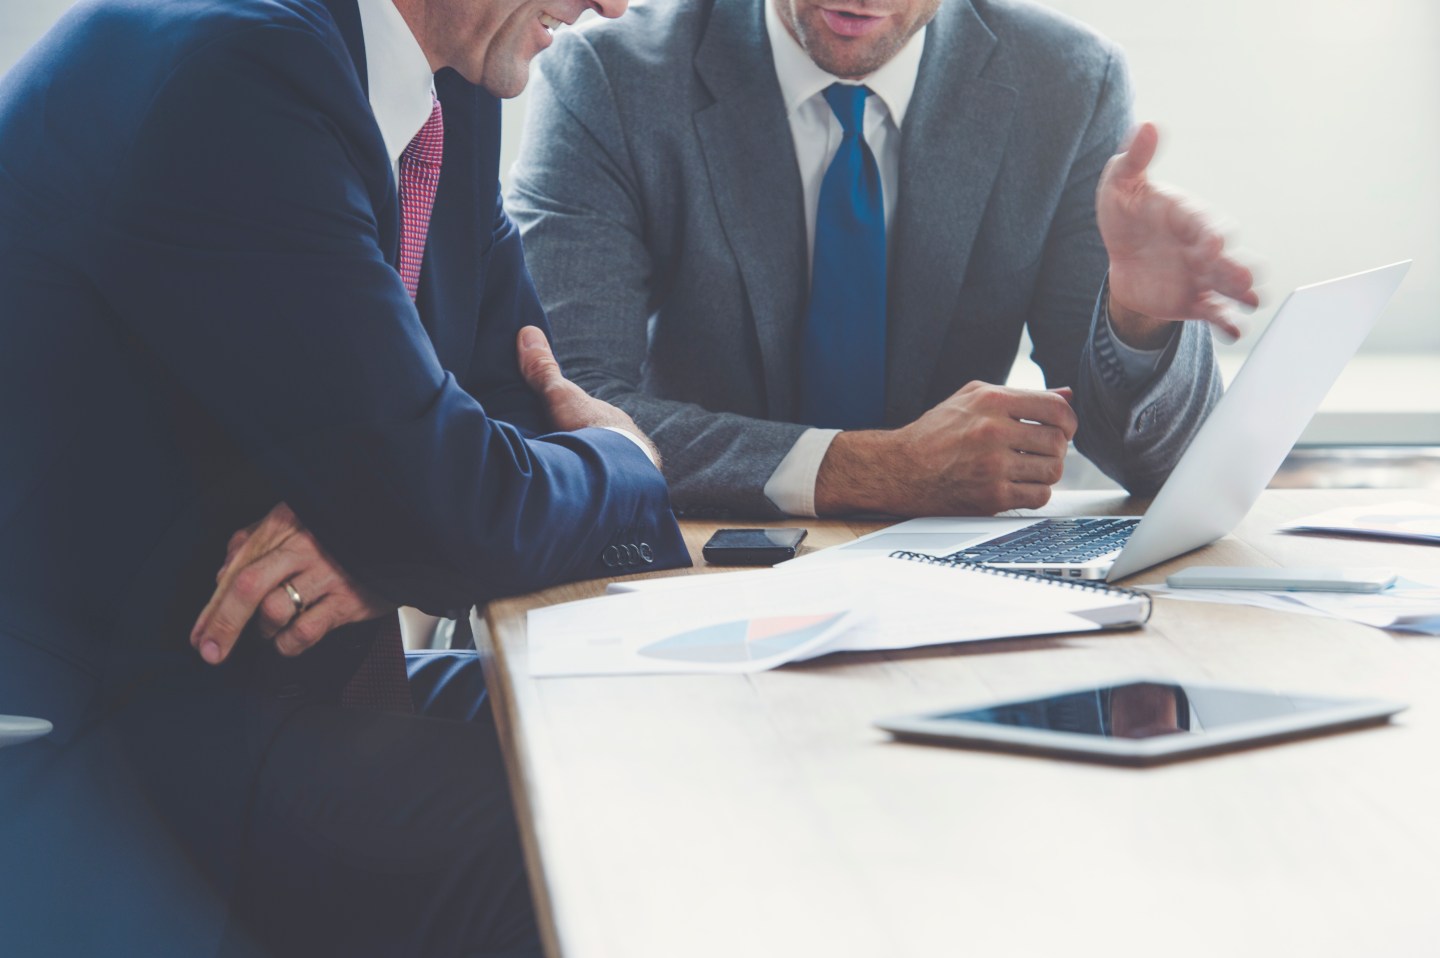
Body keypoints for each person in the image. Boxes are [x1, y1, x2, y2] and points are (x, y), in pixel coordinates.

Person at [0, 0, 687, 954]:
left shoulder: (446, 87)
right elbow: (463, 499)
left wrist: (393, 529)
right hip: (96, 731)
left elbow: (517, 408)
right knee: (573, 837)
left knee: (672, 736)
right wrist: (629, 460)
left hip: (271, 686)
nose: (615, 5)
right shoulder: (236, 66)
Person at [508, 0, 1259, 519]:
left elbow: (1157, 471)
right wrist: (870, 469)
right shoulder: (609, 79)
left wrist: (1138, 319)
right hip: (693, 570)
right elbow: (566, 409)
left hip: (942, 595)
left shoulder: (1066, 82)